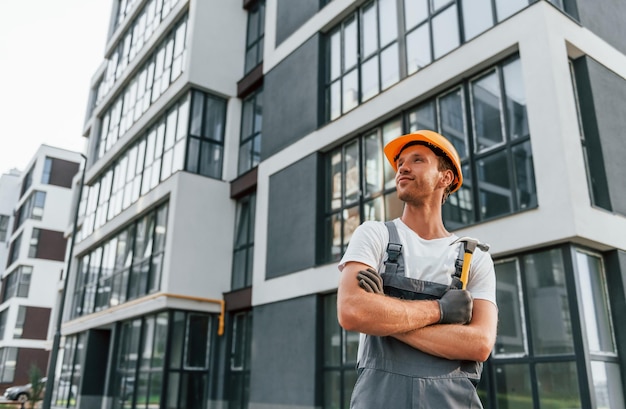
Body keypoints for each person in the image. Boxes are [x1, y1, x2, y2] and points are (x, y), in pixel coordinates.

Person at [337, 130, 498, 408]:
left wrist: (382, 314)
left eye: (417, 160)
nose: (403, 168)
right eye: (400, 162)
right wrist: (441, 311)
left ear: (444, 178)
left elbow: (480, 344)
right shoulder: (375, 235)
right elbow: (352, 311)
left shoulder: (474, 256)